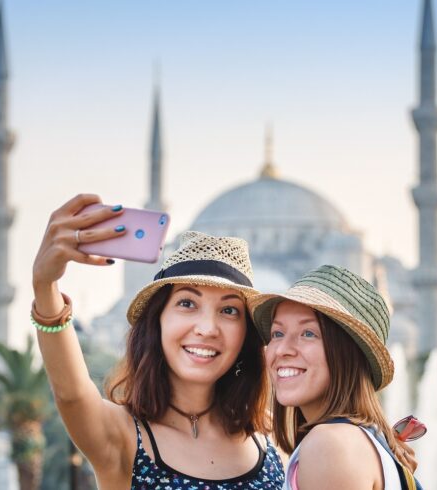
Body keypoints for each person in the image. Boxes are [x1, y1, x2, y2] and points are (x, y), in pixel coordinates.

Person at [30, 194, 284, 489]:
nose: (207, 328)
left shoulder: (269, 438)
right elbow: (70, 394)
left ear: (246, 335)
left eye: (229, 310)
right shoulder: (123, 435)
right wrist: (45, 286)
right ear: (157, 321)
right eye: (188, 303)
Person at [250, 265, 421, 490]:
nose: (282, 349)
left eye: (308, 333)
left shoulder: (329, 444)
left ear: (347, 353)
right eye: (277, 333)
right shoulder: (360, 439)